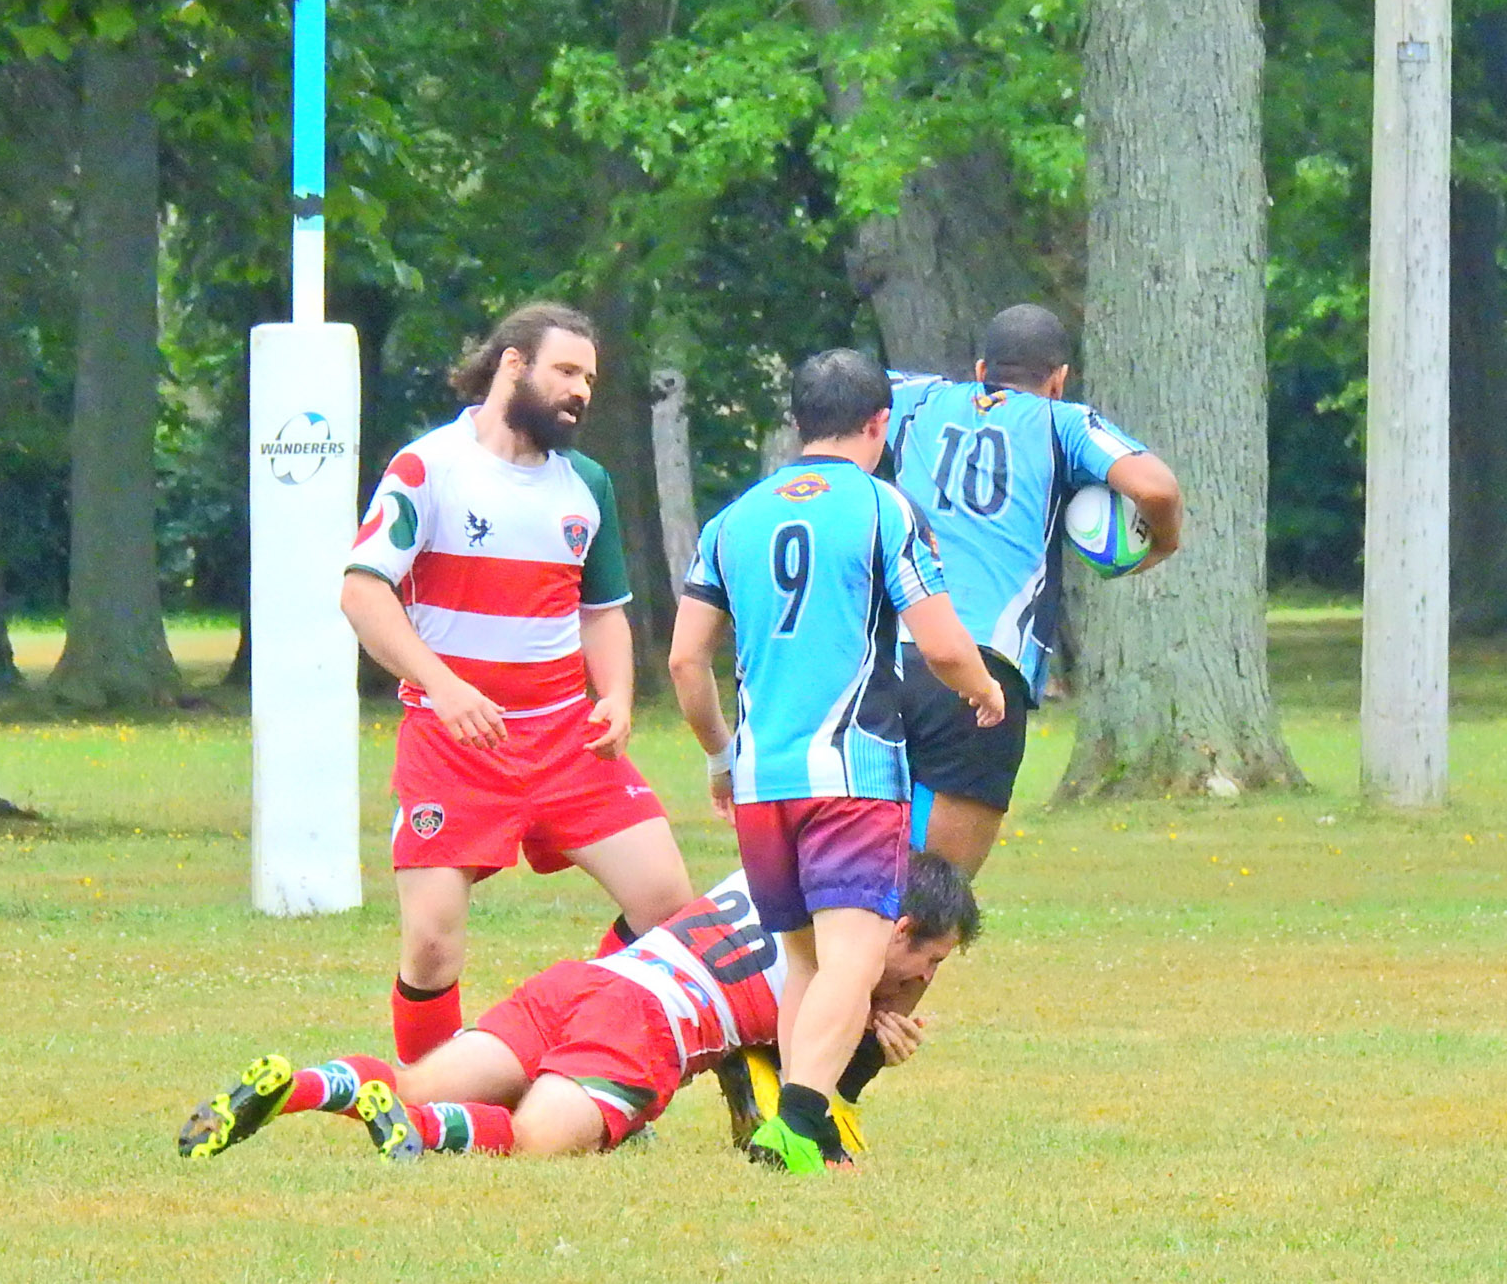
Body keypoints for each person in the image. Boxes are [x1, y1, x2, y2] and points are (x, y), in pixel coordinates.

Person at [667, 348, 1004, 1175]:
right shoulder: (883, 509)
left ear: (798, 423)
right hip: (852, 773)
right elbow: (940, 641)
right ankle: (797, 1121)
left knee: (805, 963)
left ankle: (806, 1133)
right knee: (854, 958)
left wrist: (720, 756)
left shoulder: (733, 520)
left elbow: (684, 662)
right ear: (881, 424)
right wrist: (984, 689)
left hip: (761, 784)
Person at [342, 302, 694, 1066]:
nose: (581, 392)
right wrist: (444, 687)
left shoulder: (586, 485)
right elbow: (363, 594)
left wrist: (619, 699)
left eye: (590, 379)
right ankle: (434, 1104)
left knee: (670, 908)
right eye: (566, 371)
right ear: (512, 364)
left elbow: (603, 613)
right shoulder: (427, 468)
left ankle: (579, 1050)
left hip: (568, 739)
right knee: (433, 945)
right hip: (455, 742)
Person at [176, 853, 981, 1163]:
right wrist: (873, 1044)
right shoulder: (839, 968)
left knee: (417, 1078)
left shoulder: (786, 877)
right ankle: (417, 1135)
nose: (922, 985)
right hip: (644, 1027)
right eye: (928, 963)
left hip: (585, 981)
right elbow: (807, 1096)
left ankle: (311, 1087)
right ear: (898, 927)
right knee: (535, 1141)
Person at [883, 304, 1183, 875]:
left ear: (979, 369)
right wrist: (1162, 545)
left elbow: (839, 396)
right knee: (931, 904)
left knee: (861, 895)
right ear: (1058, 379)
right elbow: (1158, 489)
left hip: (889, 659)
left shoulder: (916, 397)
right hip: (981, 675)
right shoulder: (1062, 422)